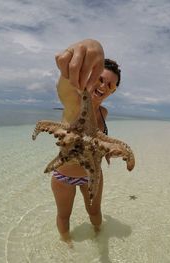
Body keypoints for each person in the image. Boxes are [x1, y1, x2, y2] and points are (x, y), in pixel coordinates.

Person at [53, 39, 121, 244]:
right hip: (64, 176)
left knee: (95, 215)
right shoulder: (75, 103)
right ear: (91, 75)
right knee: (64, 217)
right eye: (100, 79)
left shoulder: (104, 112)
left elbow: (95, 142)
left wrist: (110, 151)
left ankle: (99, 238)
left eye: (111, 86)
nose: (104, 86)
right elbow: (65, 86)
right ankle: (67, 248)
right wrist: (91, 45)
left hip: (93, 176)